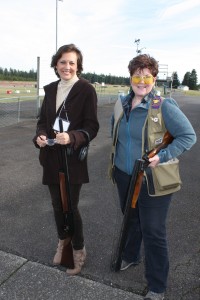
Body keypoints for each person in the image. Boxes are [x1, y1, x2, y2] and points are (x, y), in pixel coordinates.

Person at [109, 54, 196, 300]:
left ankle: (157, 286)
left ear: (154, 78)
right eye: (137, 75)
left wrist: (164, 155)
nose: (142, 81)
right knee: (132, 218)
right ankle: (131, 256)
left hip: (154, 179)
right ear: (130, 77)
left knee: (153, 230)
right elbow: (113, 133)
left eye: (147, 76)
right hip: (125, 175)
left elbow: (188, 137)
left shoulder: (164, 106)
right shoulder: (121, 104)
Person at [33, 44, 99, 275]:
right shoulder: (50, 89)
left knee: (70, 206)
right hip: (51, 157)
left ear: (78, 65)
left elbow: (92, 126)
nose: (67, 67)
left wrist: (71, 137)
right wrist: (40, 135)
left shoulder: (86, 89)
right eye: (63, 62)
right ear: (56, 65)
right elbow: (42, 120)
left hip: (72, 161)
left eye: (72, 62)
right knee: (55, 205)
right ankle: (63, 241)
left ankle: (78, 249)